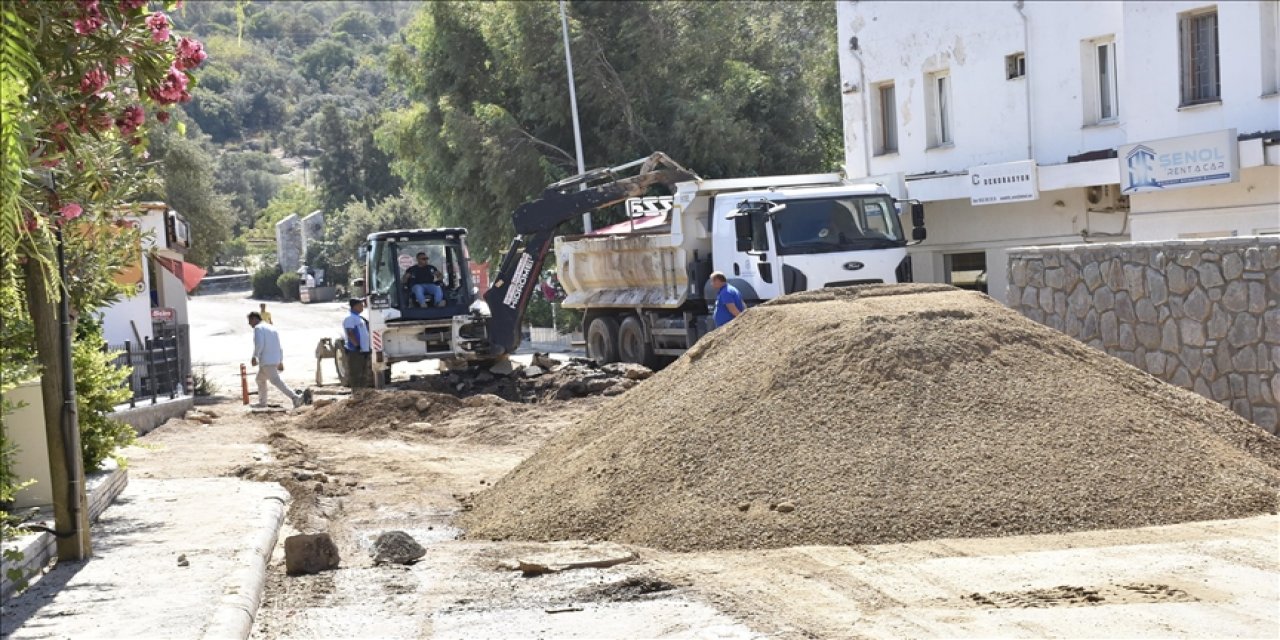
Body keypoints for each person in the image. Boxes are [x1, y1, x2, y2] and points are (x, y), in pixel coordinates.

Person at [248, 311, 301, 408]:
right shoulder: (271, 328)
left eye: (250, 321)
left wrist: (255, 356)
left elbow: (259, 344)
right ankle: (262, 403)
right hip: (274, 359)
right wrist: (280, 360)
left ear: (254, 319)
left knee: (276, 381)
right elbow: (279, 346)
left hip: (266, 360)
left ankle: (295, 397)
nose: (249, 323)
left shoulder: (258, 328)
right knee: (260, 379)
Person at [342, 298, 373, 388]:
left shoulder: (359, 318)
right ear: (355, 306)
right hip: (355, 351)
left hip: (364, 350)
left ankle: (362, 394)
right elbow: (350, 333)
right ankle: (357, 394)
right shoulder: (350, 318)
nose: (362, 307)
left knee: (363, 374)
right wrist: (357, 346)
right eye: (361, 305)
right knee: (356, 374)